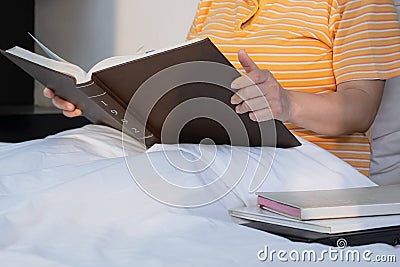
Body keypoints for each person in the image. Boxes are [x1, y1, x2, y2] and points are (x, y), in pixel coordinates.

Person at [44, 0, 400, 177]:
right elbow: (186, 88)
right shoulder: (217, 3)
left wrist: (286, 104)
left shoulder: (359, 3)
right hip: (206, 155)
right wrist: (98, 103)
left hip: (298, 169)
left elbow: (360, 110)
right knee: (60, 158)